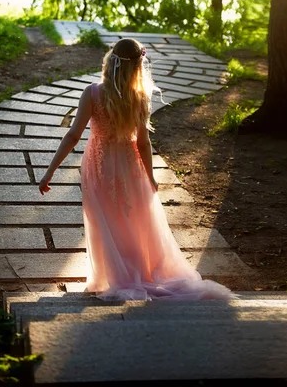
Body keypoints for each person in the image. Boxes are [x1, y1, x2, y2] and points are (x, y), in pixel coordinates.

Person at [39, 38, 237, 301]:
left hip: (101, 166)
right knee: (133, 221)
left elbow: (74, 135)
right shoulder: (140, 96)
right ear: (137, 68)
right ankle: (135, 271)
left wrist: (50, 170)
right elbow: (143, 142)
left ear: (110, 63)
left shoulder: (93, 93)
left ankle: (114, 276)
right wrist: (150, 175)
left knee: (105, 221)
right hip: (131, 167)